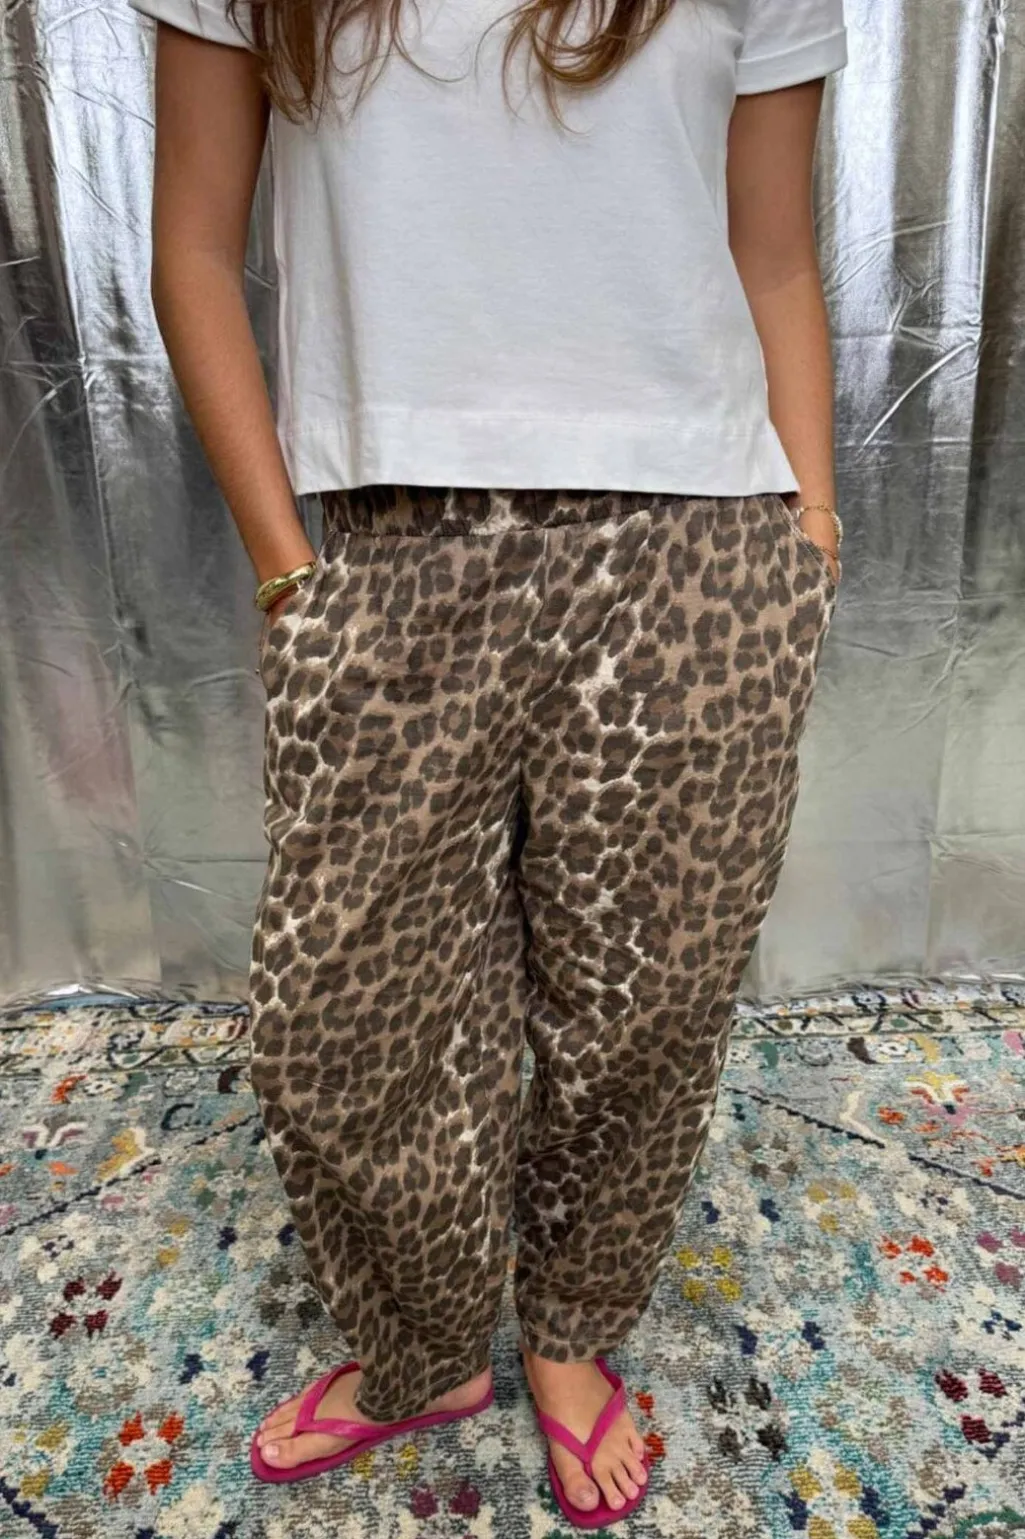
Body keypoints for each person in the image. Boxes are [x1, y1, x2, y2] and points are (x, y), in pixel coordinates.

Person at [133, 0, 847, 1522]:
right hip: (390, 543)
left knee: (645, 1003)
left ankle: (569, 1332)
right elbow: (192, 245)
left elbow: (776, 253)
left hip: (698, 543)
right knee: (344, 1017)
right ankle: (429, 1343)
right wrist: (288, 568)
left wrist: (812, 529)